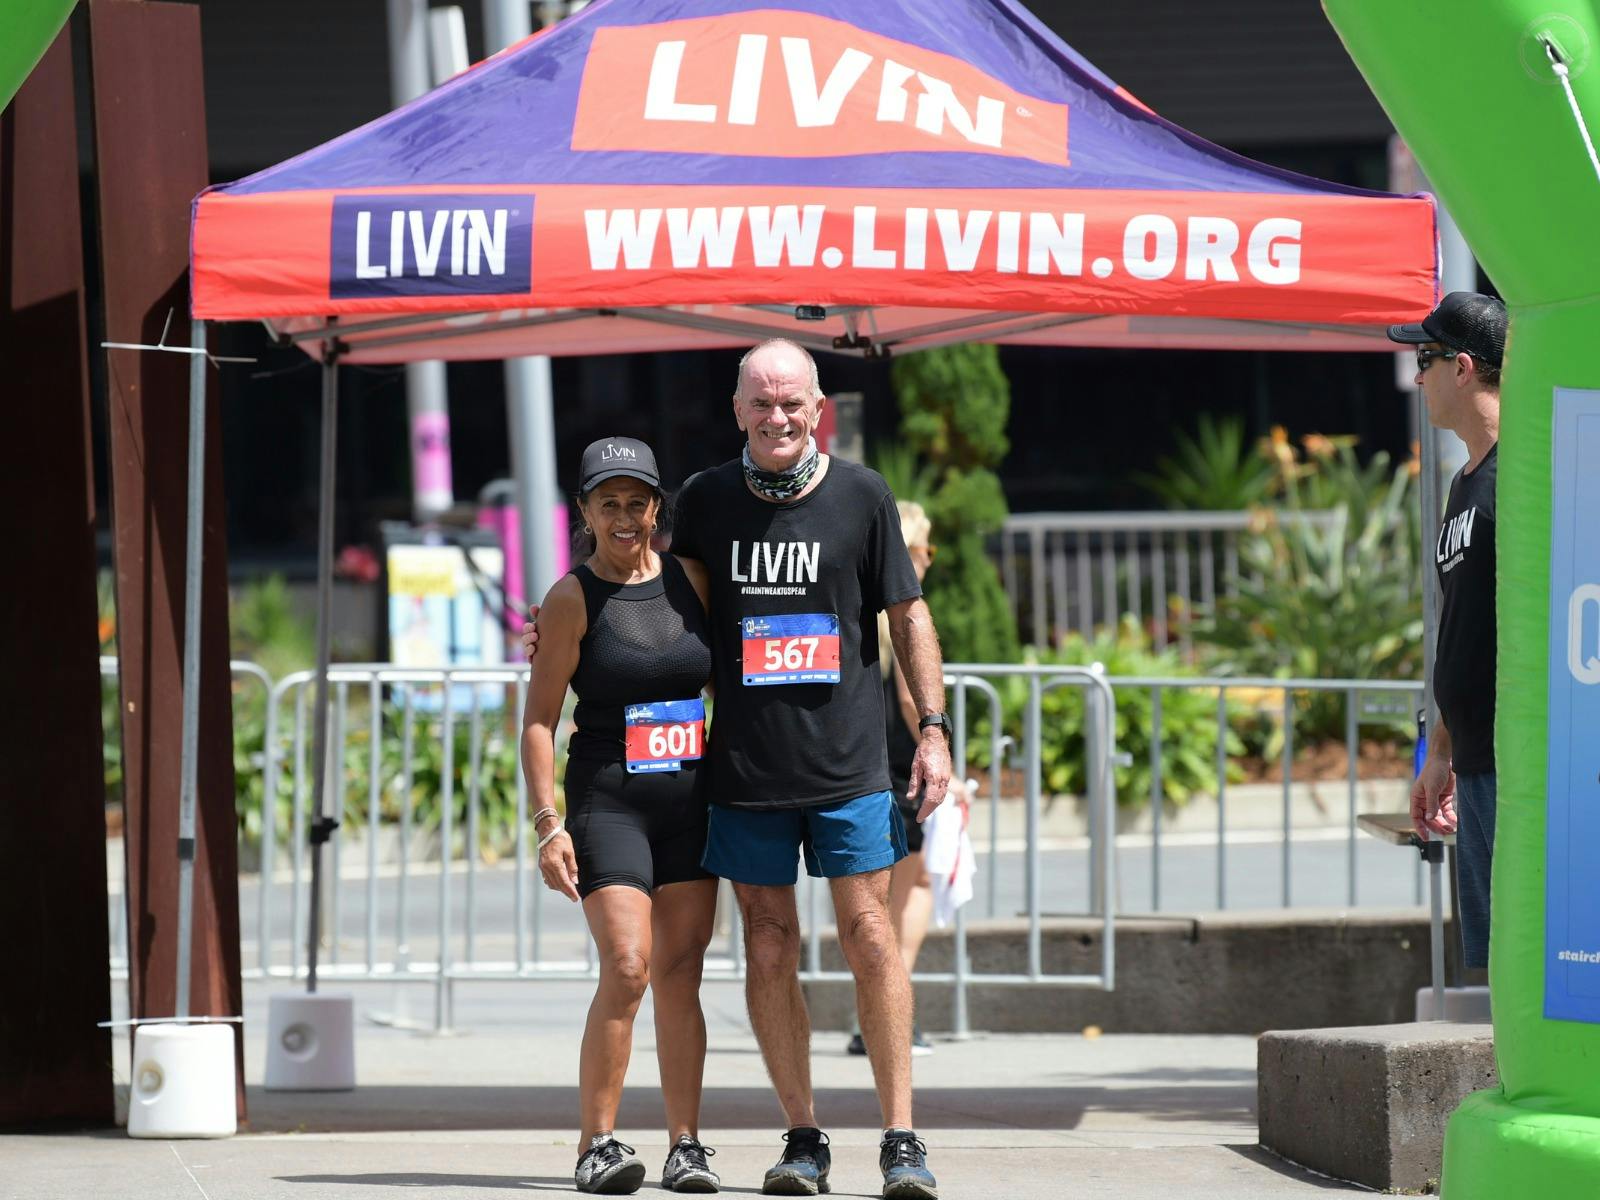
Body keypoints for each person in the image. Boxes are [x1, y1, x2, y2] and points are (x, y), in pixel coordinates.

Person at [524, 339, 951, 1200]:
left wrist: (934, 731)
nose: (777, 416)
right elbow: (646, 596)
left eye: (792, 402)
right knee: (764, 943)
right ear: (737, 410)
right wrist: (559, 624)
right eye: (761, 402)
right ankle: (803, 1138)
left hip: (847, 764)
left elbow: (909, 617)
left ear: (818, 407)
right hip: (745, 774)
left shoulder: (863, 494)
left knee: (871, 936)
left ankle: (901, 1139)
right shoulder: (707, 500)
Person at [520, 436, 722, 1195]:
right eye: (609, 503)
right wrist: (548, 823)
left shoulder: (691, 580)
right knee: (630, 966)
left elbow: (731, 672)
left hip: (690, 800)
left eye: (638, 502)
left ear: (657, 507)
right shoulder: (571, 599)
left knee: (681, 971)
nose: (625, 517)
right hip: (610, 799)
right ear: (585, 512)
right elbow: (539, 720)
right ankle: (595, 1144)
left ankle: (686, 1145)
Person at [1389, 290, 1506, 972]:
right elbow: (1462, 629)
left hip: (1516, 760)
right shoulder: (1464, 485)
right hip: (1474, 757)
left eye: (1424, 361)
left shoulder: (1519, 475)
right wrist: (1440, 752)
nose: (1416, 378)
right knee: (1494, 962)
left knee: (1524, 955)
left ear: (1461, 368)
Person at [848, 501, 966, 1059]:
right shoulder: (902, 612)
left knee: (878, 902)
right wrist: (942, 760)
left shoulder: (861, 608)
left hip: (870, 764)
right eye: (926, 550)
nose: (928, 561)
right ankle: (888, 1018)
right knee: (908, 892)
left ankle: (873, 1017)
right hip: (904, 770)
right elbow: (908, 696)